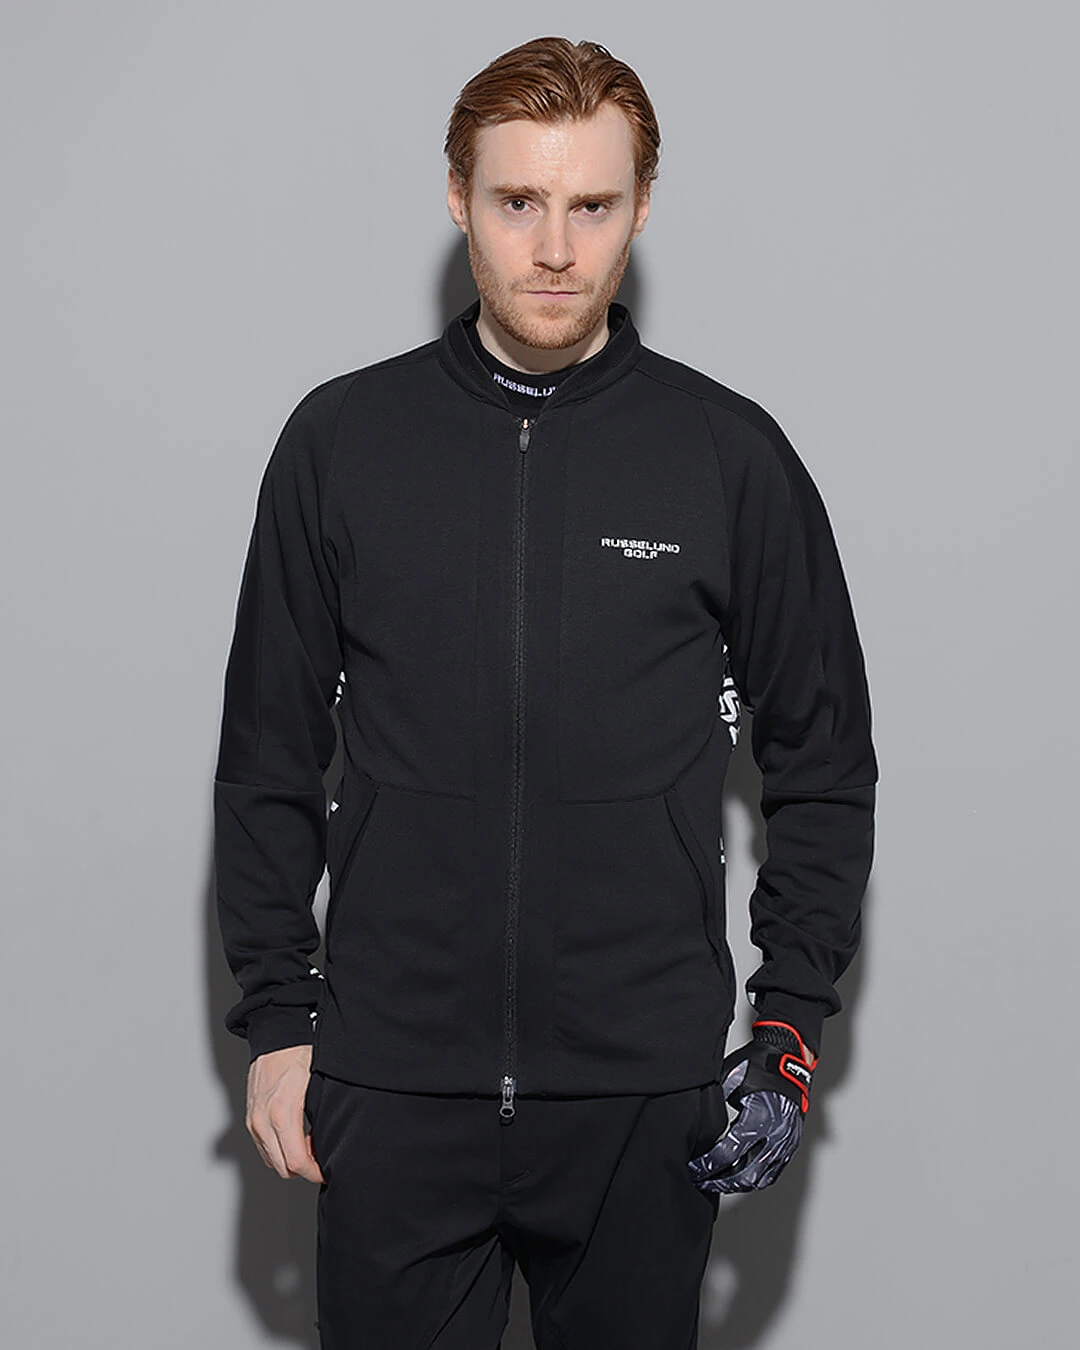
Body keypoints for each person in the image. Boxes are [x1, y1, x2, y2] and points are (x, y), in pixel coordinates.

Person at [212, 35, 877, 1350]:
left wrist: (789, 1022)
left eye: (593, 205)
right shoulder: (341, 445)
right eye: (519, 201)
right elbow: (266, 757)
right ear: (458, 197)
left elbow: (824, 761)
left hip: (642, 1101)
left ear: (643, 208)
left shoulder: (727, 457)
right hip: (393, 1088)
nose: (557, 248)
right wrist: (279, 1020)